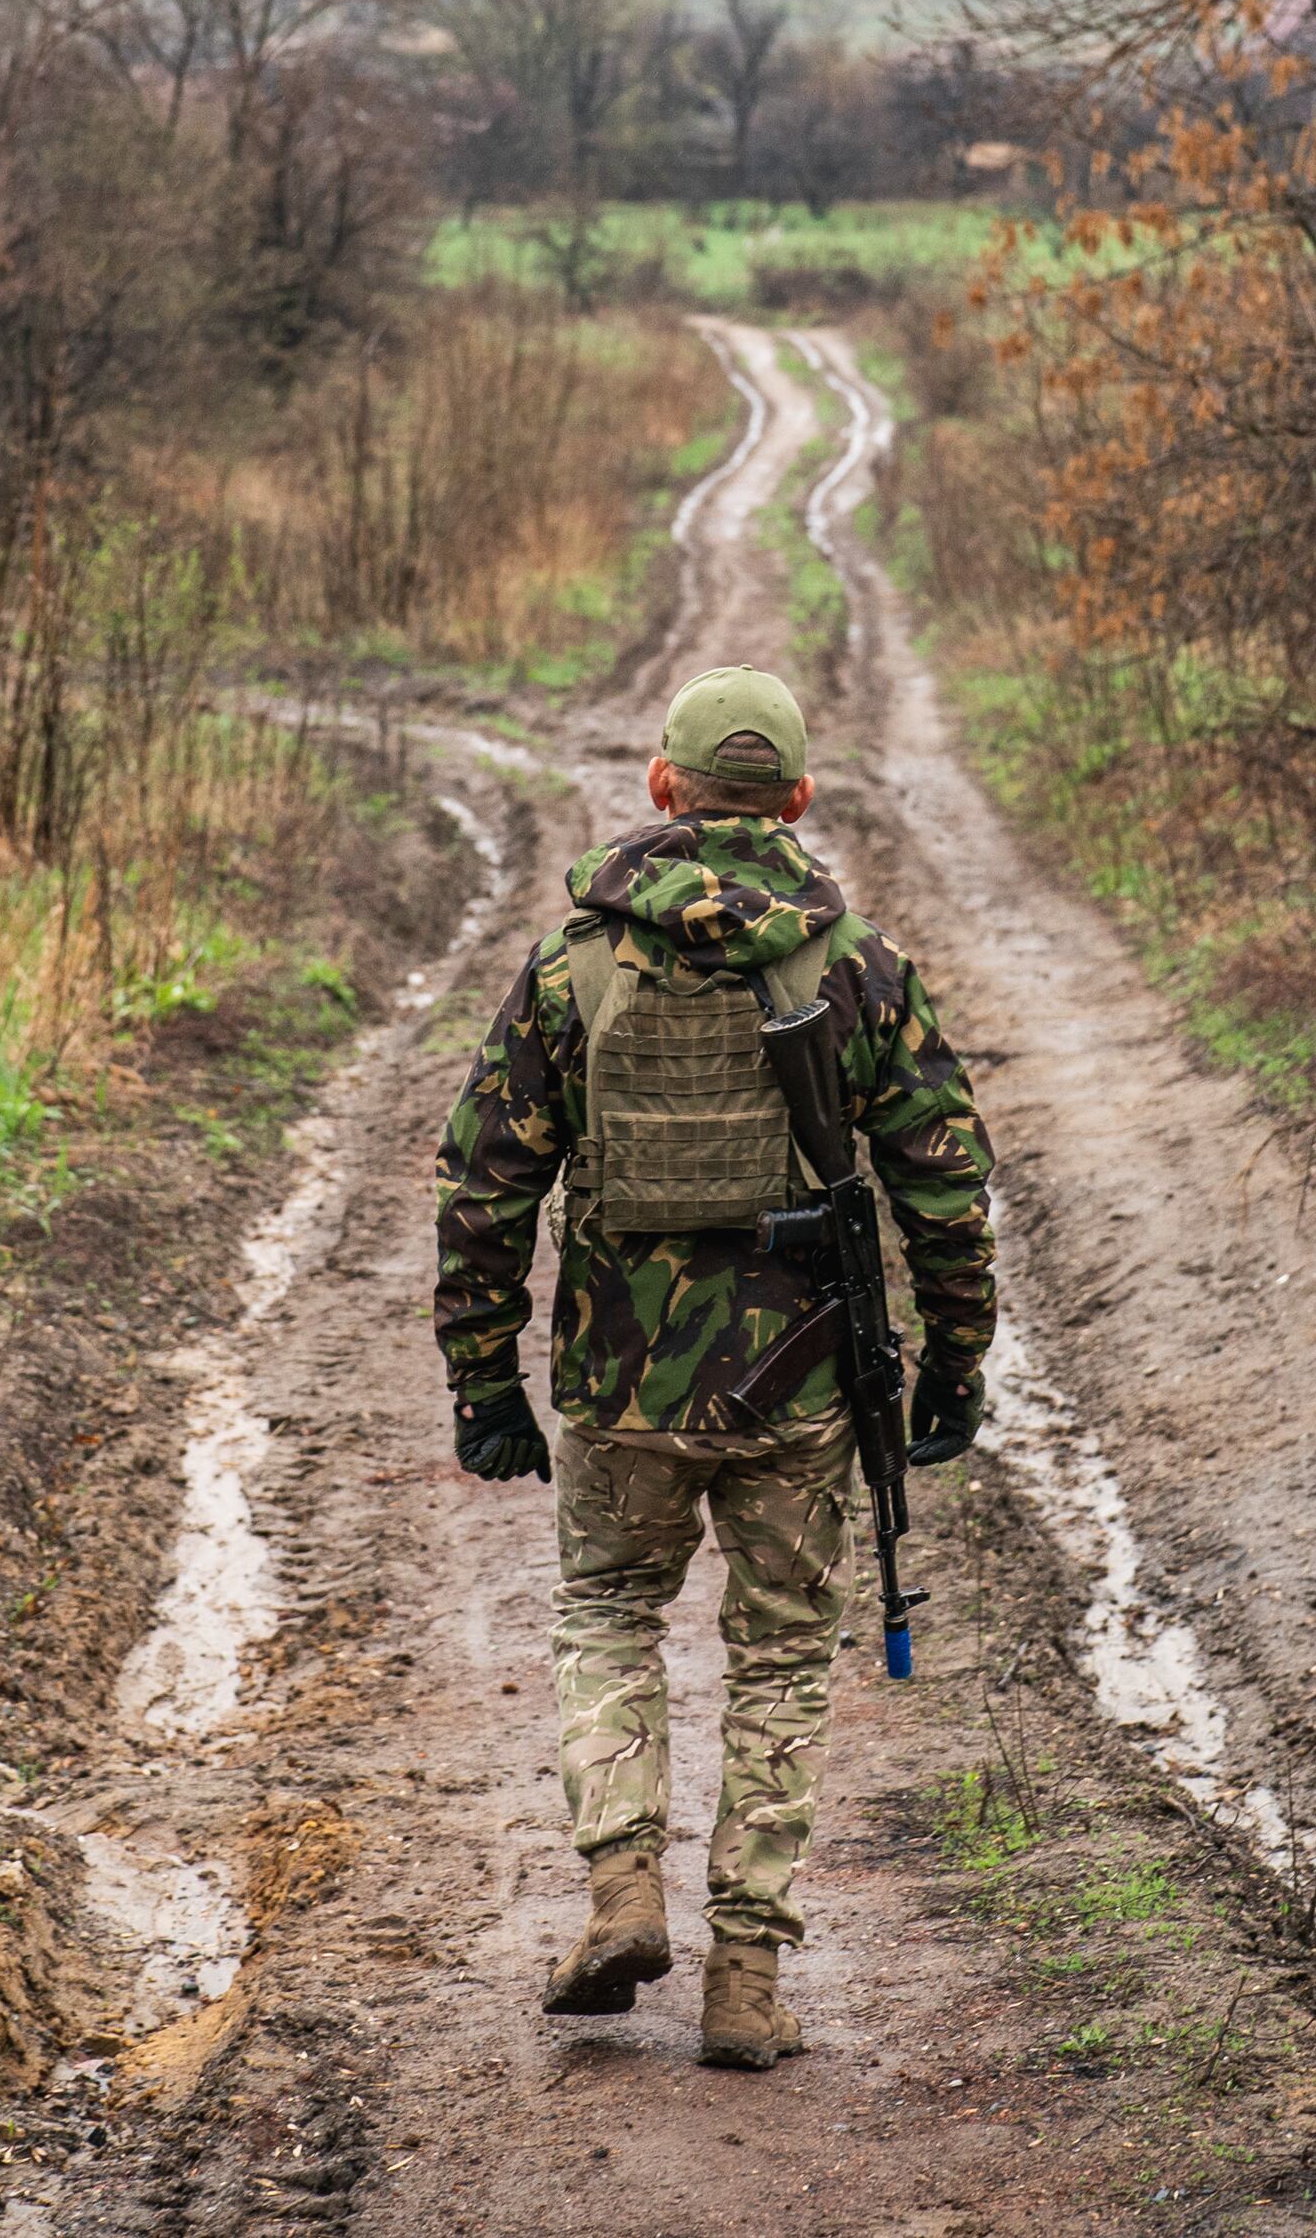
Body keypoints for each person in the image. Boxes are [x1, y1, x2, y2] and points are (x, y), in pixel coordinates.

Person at [429, 663, 997, 2071]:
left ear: (660, 791)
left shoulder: (576, 965)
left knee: (612, 1616)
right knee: (784, 1658)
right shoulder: (851, 960)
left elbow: (488, 1182)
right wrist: (956, 1359)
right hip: (802, 1393)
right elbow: (944, 1177)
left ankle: (623, 1891)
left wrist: (482, 1377)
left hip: (621, 1387)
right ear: (797, 802)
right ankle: (746, 1981)